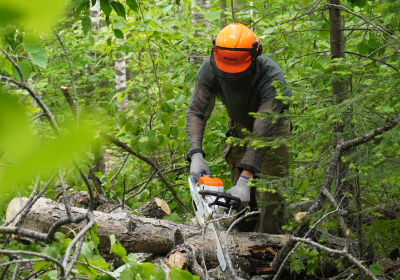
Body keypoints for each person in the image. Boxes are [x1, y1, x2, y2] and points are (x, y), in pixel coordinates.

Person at [186, 23, 292, 234]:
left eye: (237, 73)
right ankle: (239, 245)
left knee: (271, 195)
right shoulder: (210, 69)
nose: (231, 78)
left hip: (273, 129)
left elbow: (263, 131)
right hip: (240, 127)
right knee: (238, 200)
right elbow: (197, 111)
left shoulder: (272, 78)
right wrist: (196, 154)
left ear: (255, 55)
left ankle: (271, 250)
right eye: (226, 73)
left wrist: (247, 178)